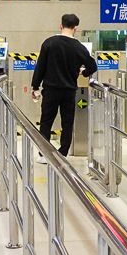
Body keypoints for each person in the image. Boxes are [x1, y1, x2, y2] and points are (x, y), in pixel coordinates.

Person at [32, 14, 97, 160]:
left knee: (46, 122)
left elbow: (40, 67)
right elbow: (92, 66)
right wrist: (84, 72)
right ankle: (63, 153)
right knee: (67, 122)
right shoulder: (78, 47)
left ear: (61, 26)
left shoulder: (49, 43)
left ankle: (44, 153)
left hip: (50, 90)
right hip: (69, 90)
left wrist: (35, 86)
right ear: (76, 28)